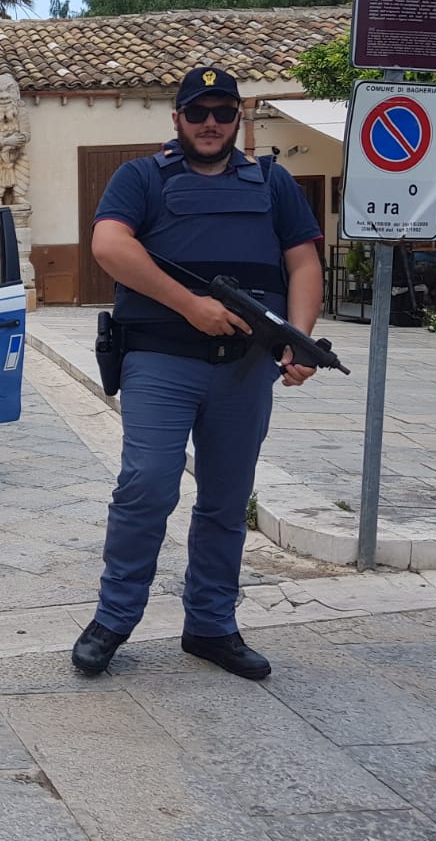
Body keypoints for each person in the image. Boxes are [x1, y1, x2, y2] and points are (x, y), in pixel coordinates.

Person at [73, 66, 323, 682]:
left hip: (243, 369)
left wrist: (298, 341)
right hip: (161, 360)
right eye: (197, 112)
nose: (210, 123)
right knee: (147, 484)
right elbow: (109, 245)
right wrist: (190, 304)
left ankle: (211, 625)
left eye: (223, 112)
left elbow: (303, 262)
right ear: (177, 118)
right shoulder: (142, 178)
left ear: (239, 118)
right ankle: (113, 617)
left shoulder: (272, 181)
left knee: (226, 499)